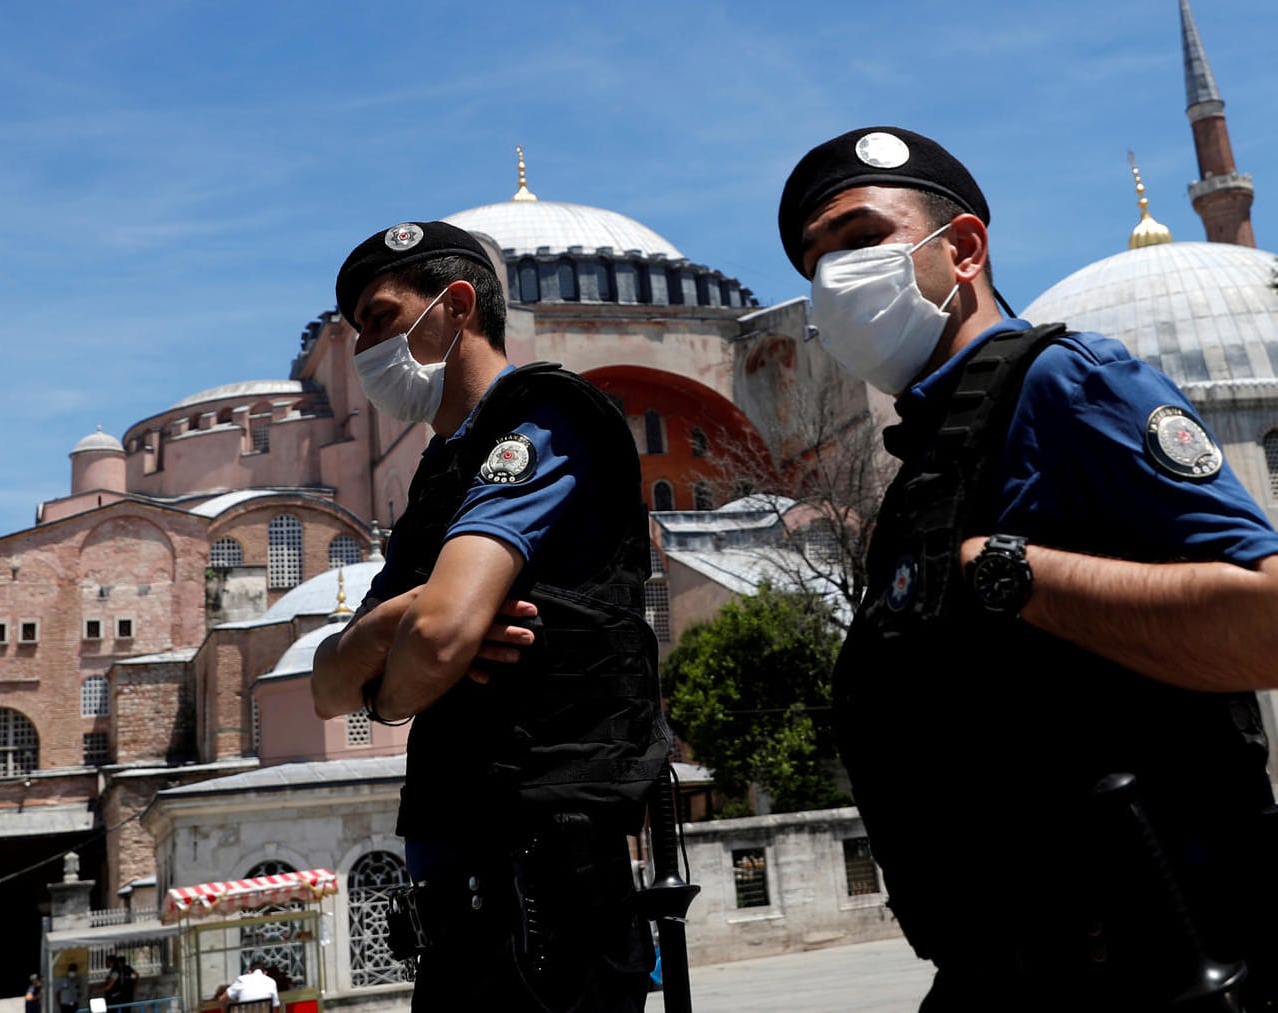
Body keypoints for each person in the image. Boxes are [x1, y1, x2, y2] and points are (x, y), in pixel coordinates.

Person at [778, 126, 1278, 1011]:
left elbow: (1265, 623)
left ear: (963, 247)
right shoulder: (930, 456)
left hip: (1149, 958)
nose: (832, 280)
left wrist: (1005, 572)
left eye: (859, 242)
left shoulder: (1064, 385)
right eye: (812, 262)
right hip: (1004, 964)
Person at [311, 220, 671, 1012]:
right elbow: (330, 688)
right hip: (457, 876)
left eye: (379, 317)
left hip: (546, 860)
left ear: (455, 305)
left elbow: (438, 639)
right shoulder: (438, 481)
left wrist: (408, 658)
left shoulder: (542, 420)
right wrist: (396, 630)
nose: (365, 346)